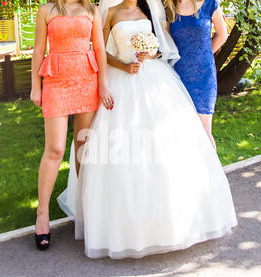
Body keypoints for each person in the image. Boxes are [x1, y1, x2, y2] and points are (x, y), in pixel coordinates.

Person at [58, 0, 237, 259]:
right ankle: (120, 224)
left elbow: (159, 45)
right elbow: (100, 51)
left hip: (153, 77)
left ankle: (175, 219)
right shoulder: (110, 12)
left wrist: (149, 53)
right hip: (122, 79)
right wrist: (124, 66)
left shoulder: (149, 11)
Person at [30, 0, 113, 250]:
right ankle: (42, 213)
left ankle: (86, 210)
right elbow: (38, 50)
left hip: (86, 80)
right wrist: (36, 86)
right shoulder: (46, 10)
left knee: (83, 148)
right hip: (56, 81)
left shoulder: (91, 10)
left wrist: (102, 85)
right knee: (55, 149)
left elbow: (99, 49)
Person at [167, 0, 228, 150]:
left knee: (205, 131)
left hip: (204, 76)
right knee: (183, 132)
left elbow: (222, 35)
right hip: (178, 77)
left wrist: (204, 54)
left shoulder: (209, 4)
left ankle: (212, 173)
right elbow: (167, 43)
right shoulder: (169, 9)